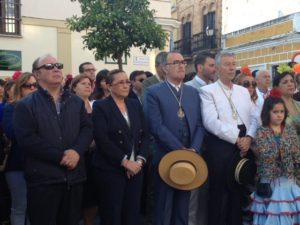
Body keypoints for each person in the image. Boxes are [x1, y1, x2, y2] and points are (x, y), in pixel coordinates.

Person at [13, 54, 93, 225]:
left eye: (58, 65)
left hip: (74, 178)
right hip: (44, 180)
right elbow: (27, 139)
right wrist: (62, 157)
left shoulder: (76, 102)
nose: (56, 68)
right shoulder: (25, 105)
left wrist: (76, 151)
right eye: (49, 66)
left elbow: (87, 129)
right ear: (37, 73)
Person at [144, 51, 205, 225]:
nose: (181, 65)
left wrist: (193, 149)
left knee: (183, 204)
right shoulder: (153, 92)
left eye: (183, 62)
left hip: (190, 155)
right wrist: (180, 150)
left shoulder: (193, 92)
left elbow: (200, 124)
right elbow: (156, 126)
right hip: (166, 154)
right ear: (164, 68)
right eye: (176, 62)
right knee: (164, 204)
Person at [199, 52, 257, 225]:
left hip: (244, 144)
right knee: (220, 193)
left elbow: (254, 117)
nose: (232, 67)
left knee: (238, 192)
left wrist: (249, 137)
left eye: (233, 64)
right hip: (221, 146)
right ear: (217, 68)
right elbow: (210, 122)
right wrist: (237, 139)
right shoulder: (207, 91)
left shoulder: (243, 91)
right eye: (227, 64)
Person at [92, 69, 149, 225]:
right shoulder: (101, 106)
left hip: (136, 169)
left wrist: (139, 161)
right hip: (112, 169)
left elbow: (144, 135)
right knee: (112, 213)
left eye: (127, 82)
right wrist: (125, 162)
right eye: (121, 82)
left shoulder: (134, 104)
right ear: (110, 86)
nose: (126, 85)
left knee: (132, 213)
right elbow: (102, 139)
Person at [250, 89, 300, 224]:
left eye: (282, 112)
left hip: (289, 178)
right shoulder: (262, 131)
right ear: (267, 113)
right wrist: (286, 150)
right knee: (273, 211)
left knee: (288, 211)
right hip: (269, 180)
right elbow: (266, 154)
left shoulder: (289, 130)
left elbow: (296, 153)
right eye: (275, 112)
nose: (279, 115)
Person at [185, 52, 215, 225]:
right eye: (211, 65)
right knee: (193, 195)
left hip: (214, 149)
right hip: (195, 147)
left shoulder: (217, 87)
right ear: (200, 67)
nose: (214, 69)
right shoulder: (188, 88)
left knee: (207, 194)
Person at [2, 72, 37, 225]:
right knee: (20, 207)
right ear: (20, 88)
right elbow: (13, 132)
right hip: (18, 165)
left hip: (40, 166)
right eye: (28, 86)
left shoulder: (46, 108)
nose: (33, 89)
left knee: (34, 209)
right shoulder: (11, 107)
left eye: (35, 85)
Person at [70, 74, 97, 225]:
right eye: (83, 83)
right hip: (78, 156)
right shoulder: (70, 106)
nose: (88, 86)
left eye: (90, 83)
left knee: (92, 196)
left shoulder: (96, 105)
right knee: (77, 196)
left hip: (95, 157)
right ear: (74, 87)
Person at [272, 65, 300, 137]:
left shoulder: (298, 104)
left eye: (292, 81)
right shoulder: (273, 107)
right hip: (284, 146)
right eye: (285, 82)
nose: (290, 84)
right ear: (276, 87)